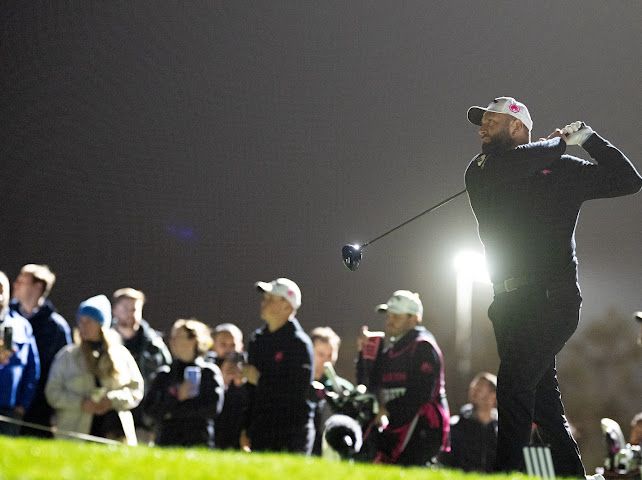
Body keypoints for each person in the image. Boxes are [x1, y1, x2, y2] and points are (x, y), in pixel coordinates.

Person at [464, 96, 642, 476]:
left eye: (491, 121)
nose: (482, 129)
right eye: (482, 122)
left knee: (513, 384)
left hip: (552, 300)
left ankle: (505, 473)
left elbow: (630, 181)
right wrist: (557, 144)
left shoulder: (560, 169)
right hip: (506, 305)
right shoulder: (482, 169)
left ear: (517, 127)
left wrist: (589, 140)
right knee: (544, 406)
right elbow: (517, 164)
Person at [356, 290, 450, 466]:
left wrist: (387, 409)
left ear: (414, 319)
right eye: (388, 315)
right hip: (396, 426)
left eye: (396, 316)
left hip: (422, 429)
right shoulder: (390, 349)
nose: (389, 320)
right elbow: (367, 385)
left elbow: (421, 394)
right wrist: (364, 354)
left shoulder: (423, 347)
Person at [45, 294, 143, 445]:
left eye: (89, 321)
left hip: (113, 435)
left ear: (101, 325)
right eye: (81, 321)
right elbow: (52, 392)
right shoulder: (67, 356)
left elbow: (136, 390)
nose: (83, 326)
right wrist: (81, 403)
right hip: (74, 434)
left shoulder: (121, 356)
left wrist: (112, 400)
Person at [242, 278, 315, 454]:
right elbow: (251, 392)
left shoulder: (299, 344)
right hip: (261, 428)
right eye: (265, 298)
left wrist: (260, 380)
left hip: (290, 432)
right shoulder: (257, 340)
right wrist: (246, 427)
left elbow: (297, 391)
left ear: (287, 307)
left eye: (270, 298)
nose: (263, 302)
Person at [10, 264, 71, 437]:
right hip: (8, 402)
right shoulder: (8, 319)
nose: (15, 285)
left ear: (38, 287)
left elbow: (63, 370)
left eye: (22, 281)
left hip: (39, 410)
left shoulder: (56, 328)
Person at [142, 318, 224, 448]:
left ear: (194, 340)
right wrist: (178, 398)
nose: (172, 341)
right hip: (167, 441)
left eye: (179, 337)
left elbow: (212, 408)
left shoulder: (208, 373)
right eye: (172, 337)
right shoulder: (164, 375)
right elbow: (150, 410)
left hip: (197, 441)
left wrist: (173, 410)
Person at [111, 288, 171, 441]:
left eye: (135, 309)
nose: (130, 314)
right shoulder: (106, 345)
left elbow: (168, 379)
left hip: (145, 421)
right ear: (114, 310)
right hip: (112, 416)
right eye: (125, 308)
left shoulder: (155, 346)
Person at [0, 271, 40, 436]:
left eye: (1, 290)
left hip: (10, 409)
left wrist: (23, 405)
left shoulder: (21, 325)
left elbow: (32, 369)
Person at [440, 372, 498, 472]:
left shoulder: (502, 429)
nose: (474, 391)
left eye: (479, 389)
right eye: (474, 388)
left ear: (493, 396)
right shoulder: (455, 426)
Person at [308, 326, 353, 456]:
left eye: (330, 355)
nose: (326, 361)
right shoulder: (297, 383)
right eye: (321, 354)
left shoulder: (343, 388)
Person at [211, 323, 250, 450]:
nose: (228, 350)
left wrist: (242, 385)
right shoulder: (207, 368)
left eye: (233, 345)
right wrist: (221, 381)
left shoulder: (249, 366)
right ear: (214, 345)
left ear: (241, 346)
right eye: (223, 344)